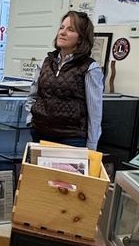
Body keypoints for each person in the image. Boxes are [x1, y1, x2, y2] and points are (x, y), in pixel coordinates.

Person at [25, 10, 104, 149]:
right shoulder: (46, 62)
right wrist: (30, 120)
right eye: (61, 28)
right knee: (39, 172)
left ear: (81, 38)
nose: (62, 32)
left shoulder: (90, 68)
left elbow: (95, 113)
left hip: (71, 139)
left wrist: (91, 146)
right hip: (40, 134)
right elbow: (33, 96)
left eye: (70, 29)